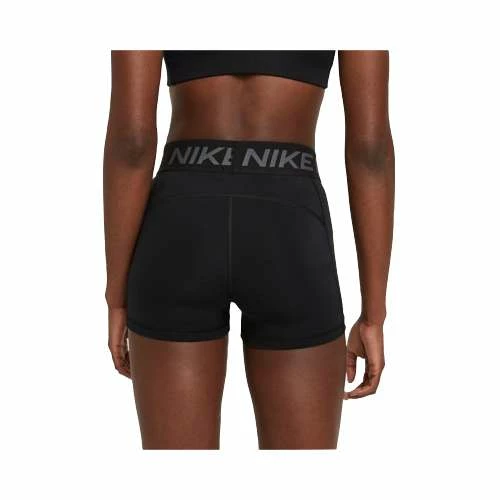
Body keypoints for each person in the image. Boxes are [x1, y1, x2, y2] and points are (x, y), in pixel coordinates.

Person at [103, 50, 394, 449]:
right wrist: (373, 314)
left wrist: (117, 296)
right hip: (289, 220)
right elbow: (371, 149)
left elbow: (133, 141)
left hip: (182, 219)